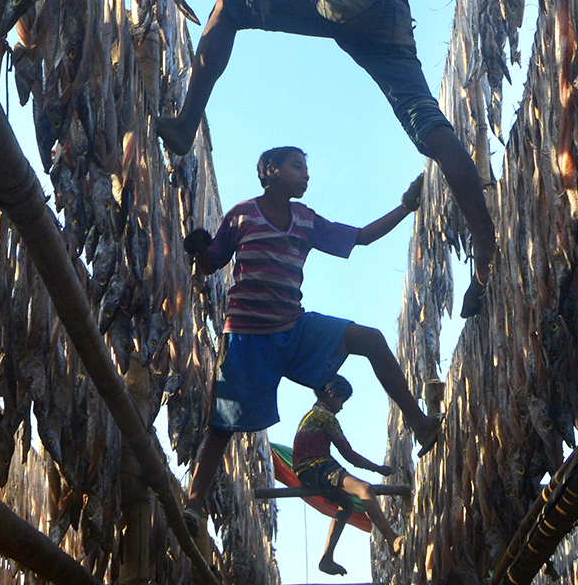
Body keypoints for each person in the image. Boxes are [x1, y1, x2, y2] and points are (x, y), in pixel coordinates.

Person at [163, 0, 496, 317]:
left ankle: (184, 125)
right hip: (389, 12)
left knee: (228, 11)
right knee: (431, 129)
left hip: (347, 1)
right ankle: (486, 248)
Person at [182, 146, 438, 540]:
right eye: (297, 166)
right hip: (247, 336)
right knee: (223, 426)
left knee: (371, 340)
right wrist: (198, 248)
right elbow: (210, 263)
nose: (306, 174)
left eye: (306, 168)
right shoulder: (241, 215)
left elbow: (361, 238)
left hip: (294, 326)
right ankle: (194, 504)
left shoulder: (305, 219)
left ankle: (419, 424)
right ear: (271, 171)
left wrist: (406, 206)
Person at [292, 375, 400, 577]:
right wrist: (377, 469)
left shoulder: (310, 415)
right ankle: (392, 537)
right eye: (342, 401)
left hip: (306, 471)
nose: (341, 407)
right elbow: (349, 455)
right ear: (331, 395)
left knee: (347, 504)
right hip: (317, 467)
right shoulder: (325, 416)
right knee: (365, 489)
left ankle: (327, 558)